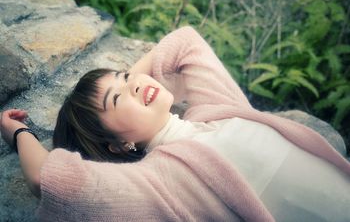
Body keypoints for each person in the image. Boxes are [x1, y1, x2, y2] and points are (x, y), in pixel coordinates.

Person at [1, 26, 350, 221]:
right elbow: (48, 180)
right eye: (117, 99)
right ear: (119, 146)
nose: (135, 83)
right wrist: (19, 132)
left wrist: (130, 86)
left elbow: (185, 43)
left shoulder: (215, 108)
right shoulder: (157, 181)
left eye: (126, 76)